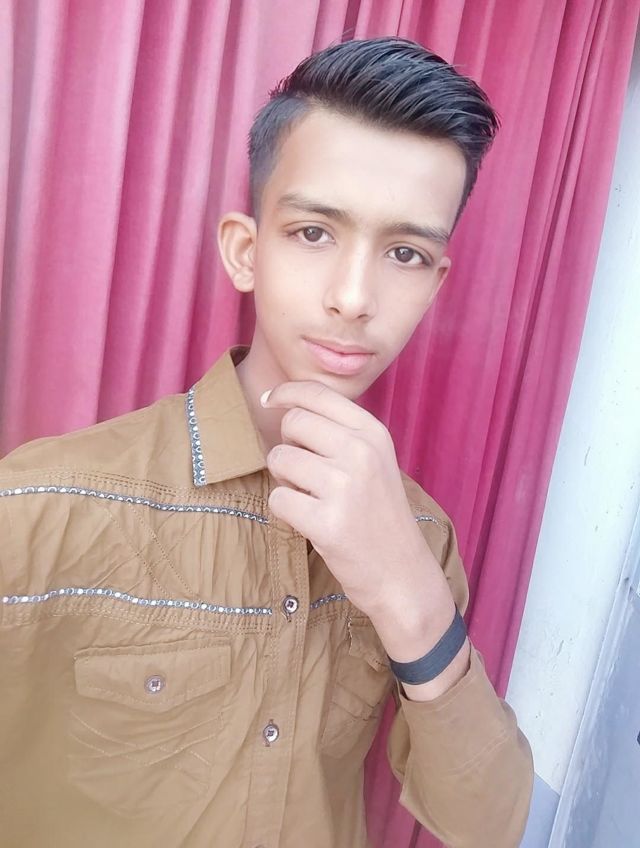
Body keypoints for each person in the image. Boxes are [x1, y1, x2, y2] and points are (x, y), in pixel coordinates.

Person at [0, 36, 533, 848]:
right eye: (315, 233)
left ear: (434, 284)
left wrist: (410, 599)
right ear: (246, 252)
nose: (353, 297)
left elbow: (488, 825)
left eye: (404, 253)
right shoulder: (47, 507)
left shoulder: (419, 535)